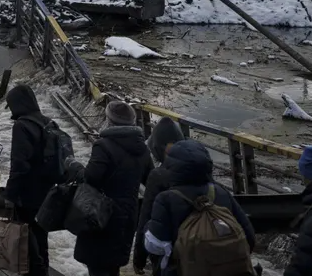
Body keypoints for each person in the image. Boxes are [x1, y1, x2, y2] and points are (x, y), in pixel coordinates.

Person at [144, 139, 255, 276]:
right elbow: (249, 236)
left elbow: (155, 246)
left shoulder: (165, 199)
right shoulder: (221, 192)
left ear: (172, 167)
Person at [75, 101, 153, 276]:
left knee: (97, 265)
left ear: (109, 121)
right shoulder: (143, 149)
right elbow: (151, 180)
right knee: (113, 266)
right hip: (128, 215)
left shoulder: (103, 146)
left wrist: (75, 168)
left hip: (102, 215)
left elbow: (91, 178)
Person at [4, 84, 61, 276]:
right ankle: (42, 269)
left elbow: (19, 165)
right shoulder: (49, 123)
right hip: (47, 190)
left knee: (25, 235)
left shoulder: (22, 126)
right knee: (40, 233)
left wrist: (10, 194)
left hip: (28, 192)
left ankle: (32, 271)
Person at [133, 118, 186, 275]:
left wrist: (139, 260)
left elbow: (146, 218)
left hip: (170, 257)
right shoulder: (203, 171)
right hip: (204, 253)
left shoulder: (159, 176)